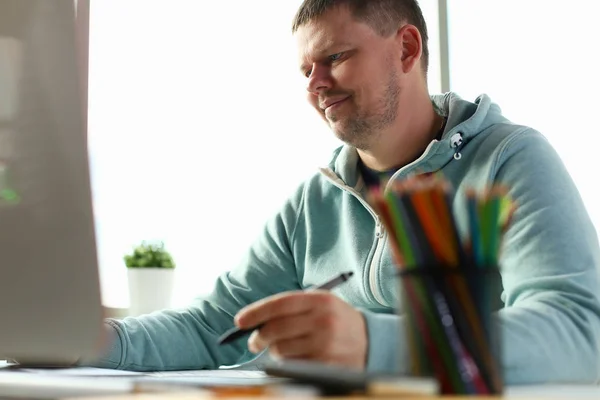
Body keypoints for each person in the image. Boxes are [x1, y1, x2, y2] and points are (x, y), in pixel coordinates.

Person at [85, 0, 600, 384]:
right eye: (307, 70)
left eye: (335, 57)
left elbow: (579, 333)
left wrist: (371, 342)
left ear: (407, 48)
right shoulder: (314, 201)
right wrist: (88, 342)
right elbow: (212, 327)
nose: (316, 84)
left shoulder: (510, 161)